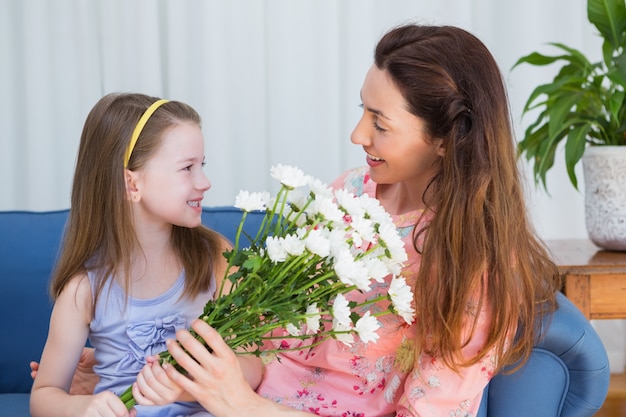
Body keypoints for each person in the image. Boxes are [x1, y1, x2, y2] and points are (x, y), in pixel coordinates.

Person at [33, 24, 561, 416]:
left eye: (380, 122)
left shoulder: (476, 266)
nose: (357, 134)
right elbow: (267, 338)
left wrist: (239, 402)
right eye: (362, 110)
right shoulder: (351, 191)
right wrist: (164, 381)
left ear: (447, 139)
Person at [29, 93, 263, 417]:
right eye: (187, 168)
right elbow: (44, 395)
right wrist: (84, 406)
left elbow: (253, 364)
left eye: (202, 165)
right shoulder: (84, 290)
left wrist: (189, 385)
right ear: (132, 183)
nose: (204, 182)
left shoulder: (217, 257)